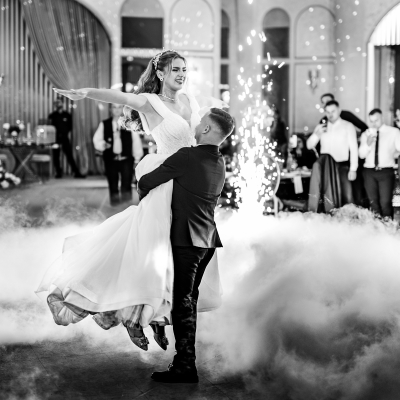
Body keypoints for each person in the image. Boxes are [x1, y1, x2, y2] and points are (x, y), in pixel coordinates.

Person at [37, 50, 224, 356]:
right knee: (154, 250)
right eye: (175, 69)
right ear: (160, 73)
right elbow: (120, 97)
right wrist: (87, 92)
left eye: (184, 69)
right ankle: (137, 314)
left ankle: (158, 316)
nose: (181, 74)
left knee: (177, 254)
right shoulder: (150, 102)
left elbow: (203, 130)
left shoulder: (189, 100)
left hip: (189, 182)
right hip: (165, 180)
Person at [138, 108, 234, 383]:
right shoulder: (219, 161)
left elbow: (146, 181)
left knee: (182, 302)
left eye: (201, 120)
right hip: (207, 241)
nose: (197, 122)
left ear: (206, 129)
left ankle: (185, 366)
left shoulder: (187, 156)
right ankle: (184, 362)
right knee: (187, 300)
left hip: (186, 240)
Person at [320, 93, 368, 207]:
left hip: (349, 160)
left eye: (327, 100)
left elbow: (364, 127)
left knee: (351, 192)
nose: (325, 103)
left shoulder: (346, 116)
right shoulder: (324, 121)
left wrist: (358, 140)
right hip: (330, 162)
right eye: (323, 102)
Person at [307, 100, 358, 205]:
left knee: (347, 196)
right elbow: (309, 145)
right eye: (327, 112)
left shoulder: (348, 126)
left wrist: (353, 169)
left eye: (333, 111)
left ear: (339, 110)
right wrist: (316, 135)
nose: (330, 114)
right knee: (326, 197)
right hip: (325, 167)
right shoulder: (321, 127)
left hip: (342, 166)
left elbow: (354, 148)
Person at [93, 103, 144, 205]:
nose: (116, 110)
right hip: (111, 159)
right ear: (110, 109)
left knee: (127, 182)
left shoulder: (129, 124)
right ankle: (115, 204)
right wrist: (103, 144)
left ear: (122, 109)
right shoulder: (104, 124)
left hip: (126, 159)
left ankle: (126, 204)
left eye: (119, 107)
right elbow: (97, 139)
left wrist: (137, 158)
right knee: (112, 182)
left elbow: (136, 142)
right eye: (114, 107)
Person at [359, 109, 400, 218]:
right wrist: (368, 144)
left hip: (386, 171)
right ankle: (376, 227)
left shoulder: (393, 132)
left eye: (376, 120)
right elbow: (361, 155)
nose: (374, 123)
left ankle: (388, 226)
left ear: (382, 118)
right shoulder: (366, 134)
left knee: (386, 203)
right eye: (371, 121)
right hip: (369, 172)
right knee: (373, 203)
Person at [48, 99, 84, 178]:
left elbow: (70, 127)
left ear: (62, 103)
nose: (58, 104)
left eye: (59, 102)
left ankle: (76, 172)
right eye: (56, 103)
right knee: (56, 156)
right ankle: (58, 173)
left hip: (65, 138)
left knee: (69, 155)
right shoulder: (52, 115)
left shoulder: (67, 115)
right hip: (55, 139)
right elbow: (50, 128)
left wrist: (64, 132)